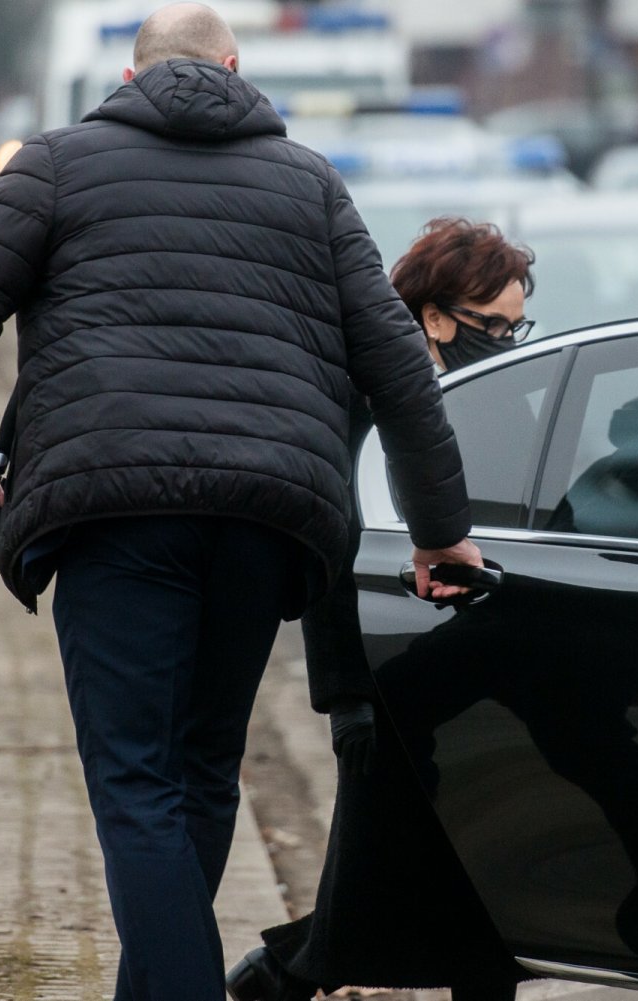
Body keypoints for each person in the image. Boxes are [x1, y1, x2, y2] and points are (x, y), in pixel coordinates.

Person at [0, 6, 481, 1000]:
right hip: (266, 516)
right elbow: (398, 366)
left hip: (110, 509)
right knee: (205, 770)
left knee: (137, 782)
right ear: (236, 68)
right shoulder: (311, 183)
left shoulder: (53, 166)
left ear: (129, 80)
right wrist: (443, 533)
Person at [228, 217, 535, 1001]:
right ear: (434, 318)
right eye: (491, 326)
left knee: (450, 850)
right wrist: (346, 697)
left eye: (516, 327)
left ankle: (289, 971)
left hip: (481, 650)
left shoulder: (504, 399)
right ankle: (288, 971)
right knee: (393, 848)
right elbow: (335, 552)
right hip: (391, 660)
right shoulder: (358, 404)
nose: (505, 343)